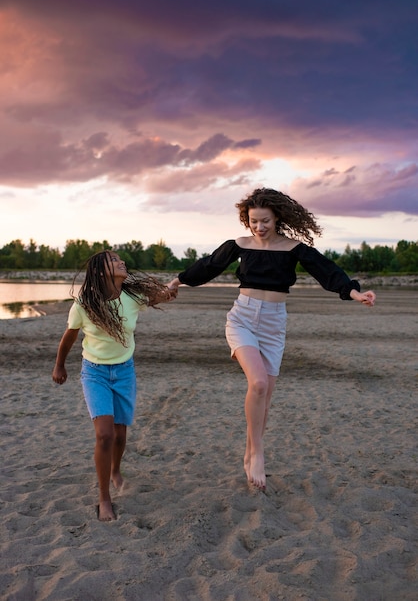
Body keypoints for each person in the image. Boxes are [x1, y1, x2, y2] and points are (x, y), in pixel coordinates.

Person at [167, 188, 376, 491]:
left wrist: (355, 293)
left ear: (277, 218)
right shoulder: (238, 245)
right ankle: (259, 454)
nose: (259, 227)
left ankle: (250, 452)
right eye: (254, 221)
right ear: (246, 220)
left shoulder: (293, 248)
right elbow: (208, 266)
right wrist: (177, 280)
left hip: (274, 324)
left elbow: (326, 271)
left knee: (265, 400)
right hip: (242, 318)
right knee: (259, 384)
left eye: (265, 221)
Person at [52, 250, 176, 521]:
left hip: (124, 372)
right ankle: (104, 497)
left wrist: (172, 287)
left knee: (120, 435)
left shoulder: (132, 297)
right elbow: (69, 337)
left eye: (120, 259)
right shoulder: (85, 303)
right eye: (113, 260)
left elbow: (161, 295)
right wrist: (60, 365)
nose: (121, 262)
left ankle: (115, 470)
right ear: (100, 272)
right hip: (94, 373)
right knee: (104, 435)